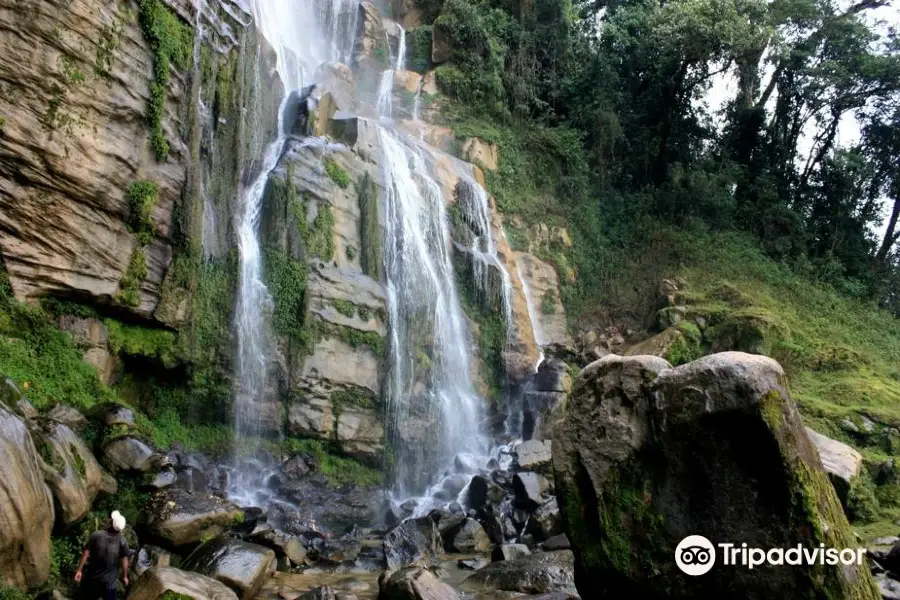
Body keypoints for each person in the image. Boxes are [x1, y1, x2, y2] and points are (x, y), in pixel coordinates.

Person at [74, 511, 131, 600]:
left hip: (93, 579)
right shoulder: (122, 541)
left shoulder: (97, 535)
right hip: (110, 583)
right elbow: (124, 560)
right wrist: (125, 576)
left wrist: (79, 570)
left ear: (111, 523)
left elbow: (86, 553)